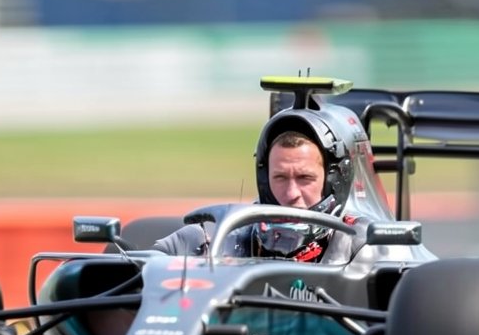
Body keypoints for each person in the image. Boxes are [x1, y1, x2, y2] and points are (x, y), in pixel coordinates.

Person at [153, 105, 372, 263]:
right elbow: (141, 268)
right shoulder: (214, 239)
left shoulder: (368, 246)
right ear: (265, 179)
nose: (291, 193)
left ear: (334, 181)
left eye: (305, 178)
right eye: (280, 177)